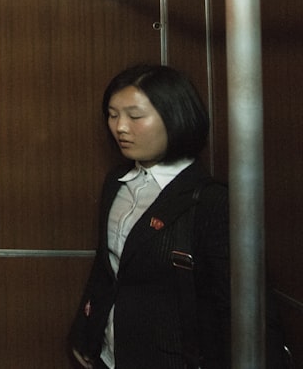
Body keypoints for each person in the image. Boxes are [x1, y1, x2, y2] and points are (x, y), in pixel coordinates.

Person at [69, 64, 230, 369]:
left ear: (175, 117)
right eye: (113, 114)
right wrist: (84, 331)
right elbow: (107, 269)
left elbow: (234, 305)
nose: (120, 127)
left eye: (135, 116)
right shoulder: (116, 183)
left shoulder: (211, 200)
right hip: (108, 354)